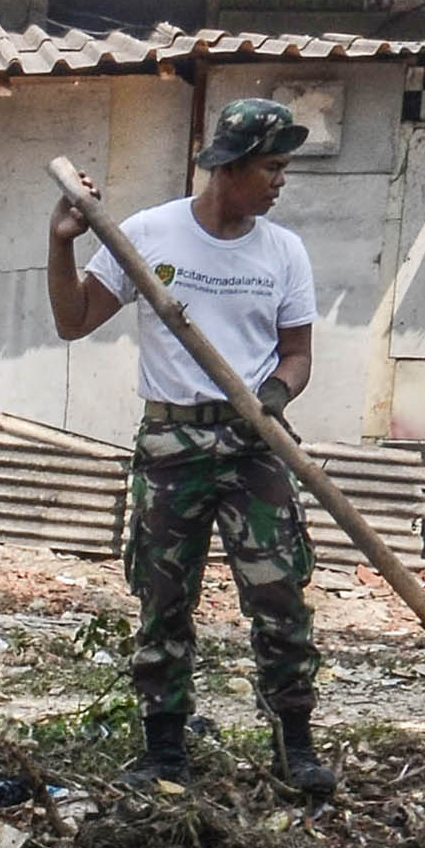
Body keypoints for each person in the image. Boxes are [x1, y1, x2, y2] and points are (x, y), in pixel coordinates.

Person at [45, 96, 333, 800]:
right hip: (171, 440)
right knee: (163, 599)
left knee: (280, 598)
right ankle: (164, 750)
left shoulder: (283, 251)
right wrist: (61, 242)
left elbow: (296, 355)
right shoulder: (150, 234)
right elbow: (73, 320)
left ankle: (293, 747)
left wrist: (273, 396)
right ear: (228, 168)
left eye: (282, 168)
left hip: (252, 442)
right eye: (270, 166)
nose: (279, 181)